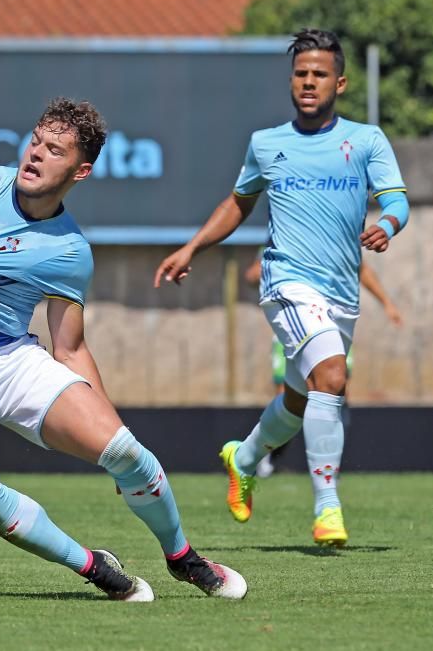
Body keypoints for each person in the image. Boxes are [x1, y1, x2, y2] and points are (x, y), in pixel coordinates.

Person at [0, 98, 247, 601]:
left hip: (14, 362)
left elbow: (69, 350)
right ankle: (94, 568)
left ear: (81, 170)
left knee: (127, 455)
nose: (35, 155)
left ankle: (184, 558)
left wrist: (115, 433)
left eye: (54, 150)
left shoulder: (70, 252)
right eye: (35, 142)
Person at [155, 29, 410, 546]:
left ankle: (243, 457)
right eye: (300, 74)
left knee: (301, 399)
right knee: (333, 378)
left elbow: (397, 201)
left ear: (339, 82)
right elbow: (238, 203)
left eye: (319, 74)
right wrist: (192, 247)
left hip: (341, 293)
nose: (308, 82)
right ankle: (328, 507)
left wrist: (389, 224)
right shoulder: (266, 143)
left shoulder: (366, 141)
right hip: (287, 282)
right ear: (291, 82)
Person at [244, 257, 404, 477]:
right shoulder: (283, 233)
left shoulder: (342, 234)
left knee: (338, 390)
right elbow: (255, 272)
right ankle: (260, 456)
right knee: (291, 398)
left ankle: (328, 468)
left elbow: (362, 268)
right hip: (296, 323)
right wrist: (255, 274)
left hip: (335, 326)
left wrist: (387, 302)